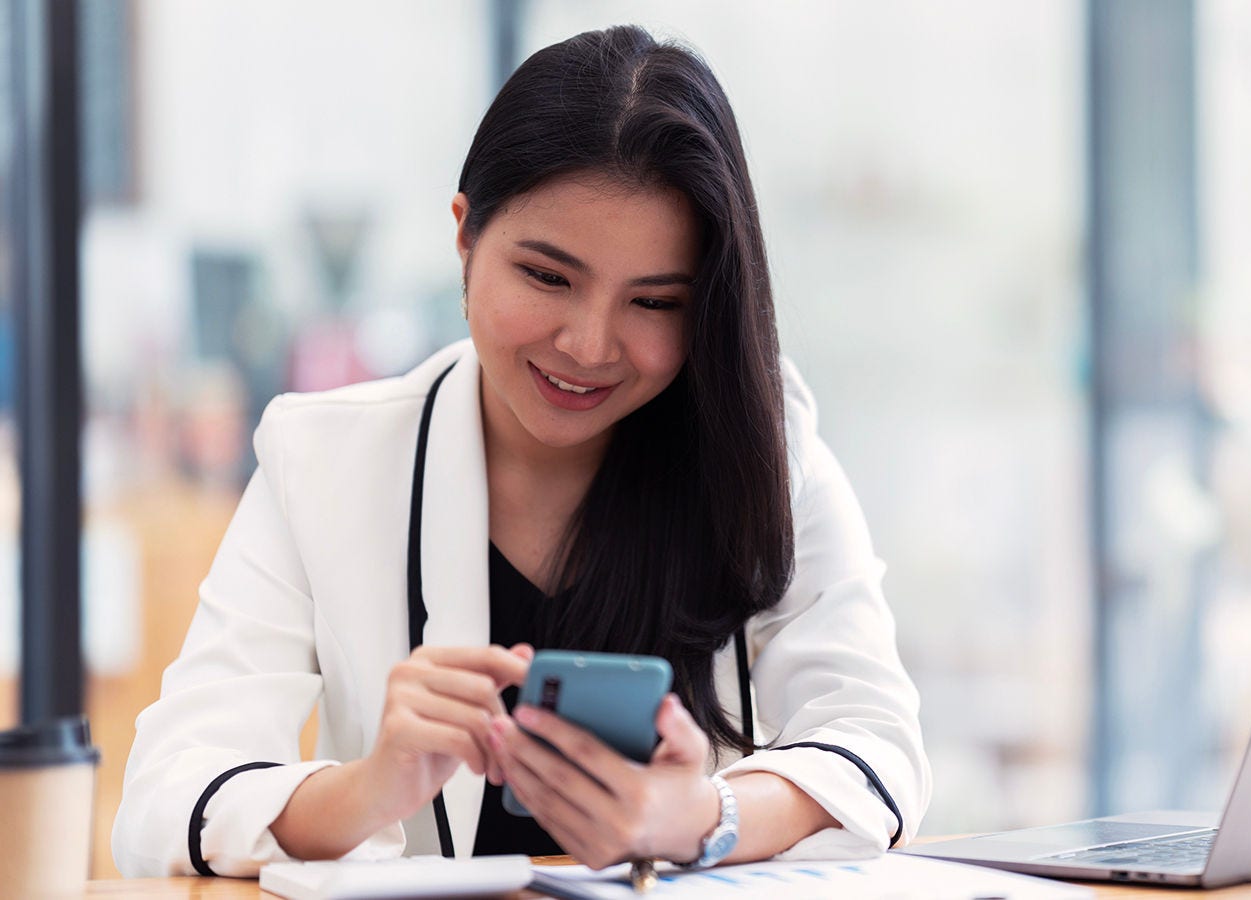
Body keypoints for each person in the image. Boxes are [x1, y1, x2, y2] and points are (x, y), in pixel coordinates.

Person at [112, 25, 930, 877]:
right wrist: (367, 789)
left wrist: (702, 816)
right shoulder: (323, 460)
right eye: (547, 276)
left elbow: (880, 750)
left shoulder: (766, 441)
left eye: (653, 302)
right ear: (465, 239)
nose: (588, 345)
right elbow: (165, 802)